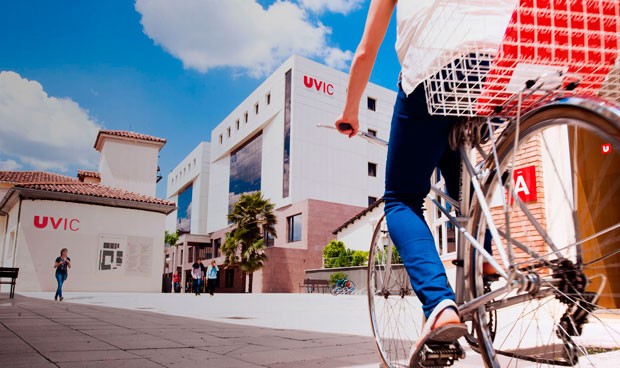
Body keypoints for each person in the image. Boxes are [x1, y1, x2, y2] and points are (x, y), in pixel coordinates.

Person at [335, 0, 466, 346]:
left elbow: (366, 51)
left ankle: (439, 305)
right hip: (495, 71)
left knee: (401, 200)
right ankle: (486, 261)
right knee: (465, 196)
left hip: (435, 72)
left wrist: (350, 111)